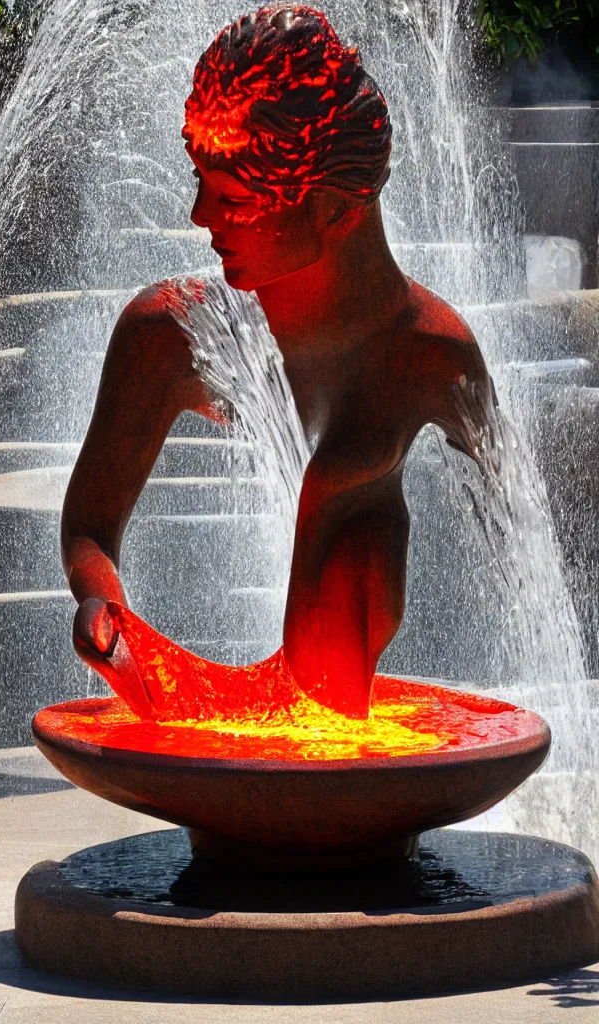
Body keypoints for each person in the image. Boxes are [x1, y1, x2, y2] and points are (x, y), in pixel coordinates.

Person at [61, 5, 496, 720]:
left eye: (234, 197)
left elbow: (524, 539)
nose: (201, 215)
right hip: (238, 734)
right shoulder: (174, 334)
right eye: (203, 182)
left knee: (350, 510)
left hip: (339, 718)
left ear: (331, 210)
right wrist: (102, 606)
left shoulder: (431, 355)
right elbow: (90, 524)